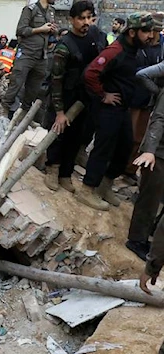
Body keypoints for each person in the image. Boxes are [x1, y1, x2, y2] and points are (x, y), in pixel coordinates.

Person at [78, 12, 155, 211]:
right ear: (132, 32)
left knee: (125, 147)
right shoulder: (115, 50)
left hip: (123, 110)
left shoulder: (135, 50)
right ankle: (87, 188)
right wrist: (103, 95)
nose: (150, 36)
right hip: (108, 109)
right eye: (146, 31)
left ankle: (105, 185)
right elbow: (91, 73)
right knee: (103, 148)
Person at [43, 1, 101, 193]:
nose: (86, 22)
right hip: (64, 98)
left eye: (89, 18)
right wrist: (59, 111)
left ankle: (66, 174)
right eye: (81, 18)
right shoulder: (64, 46)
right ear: (72, 20)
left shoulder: (93, 40)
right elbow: (56, 80)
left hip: (84, 100)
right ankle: (52, 168)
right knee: (58, 134)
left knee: (76, 137)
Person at [126, 63, 164, 260]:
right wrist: (150, 151)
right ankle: (136, 240)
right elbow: (159, 120)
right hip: (158, 153)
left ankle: (153, 231)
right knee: (149, 198)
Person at [1, 0, 57, 116]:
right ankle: (3, 113)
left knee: (34, 89)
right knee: (16, 83)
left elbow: (49, 34)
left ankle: (23, 116)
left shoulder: (51, 11)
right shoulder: (30, 9)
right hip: (27, 53)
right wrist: (40, 29)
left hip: (42, 55)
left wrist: (53, 31)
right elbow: (21, 30)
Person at [124, 22, 164, 183]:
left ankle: (130, 169)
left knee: (140, 137)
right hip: (137, 96)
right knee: (130, 135)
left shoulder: (161, 47)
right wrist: (159, 91)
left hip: (150, 101)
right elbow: (140, 74)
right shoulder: (141, 47)